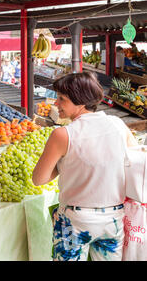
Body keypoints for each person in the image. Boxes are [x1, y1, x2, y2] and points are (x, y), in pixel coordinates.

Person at [32, 72, 137, 262]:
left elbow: (38, 179)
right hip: (113, 219)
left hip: (76, 221)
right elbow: (135, 160)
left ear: (80, 101)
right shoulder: (118, 125)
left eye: (62, 99)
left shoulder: (63, 135)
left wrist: (64, 163)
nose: (56, 104)